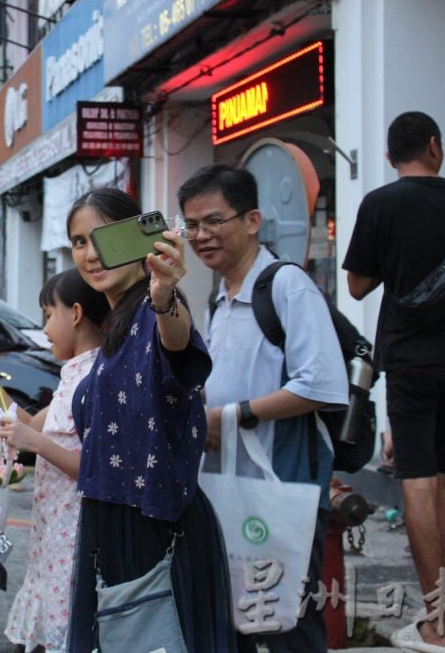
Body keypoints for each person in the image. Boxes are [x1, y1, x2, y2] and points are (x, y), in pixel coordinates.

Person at [343, 111, 445, 651]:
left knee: (416, 478)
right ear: (435, 146)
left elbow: (358, 285)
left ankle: (437, 622)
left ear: (389, 158)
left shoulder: (380, 203)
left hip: (408, 360)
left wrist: (397, 259)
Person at [179, 164, 347, 653]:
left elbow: (322, 384)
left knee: (290, 625)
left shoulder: (286, 286)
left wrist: (232, 416)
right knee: (236, 620)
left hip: (285, 487)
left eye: (214, 221)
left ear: (252, 220)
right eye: (191, 225)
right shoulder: (220, 296)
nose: (201, 236)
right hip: (234, 487)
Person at [65, 188, 235, 653]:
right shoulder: (116, 324)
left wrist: (163, 296)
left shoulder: (154, 309)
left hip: (154, 529)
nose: (90, 253)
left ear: (137, 238)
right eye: (79, 241)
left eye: (102, 237)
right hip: (111, 523)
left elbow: (176, 342)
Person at [0, 268, 109, 653]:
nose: (44, 330)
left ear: (75, 314)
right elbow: (24, 423)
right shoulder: (74, 375)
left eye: (47, 315)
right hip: (53, 542)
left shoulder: (99, 377)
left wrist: (35, 445)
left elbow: (98, 470)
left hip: (76, 543)